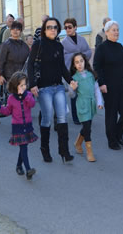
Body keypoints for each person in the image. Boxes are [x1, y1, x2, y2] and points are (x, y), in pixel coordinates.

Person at [27, 17, 77, 163]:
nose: (52, 30)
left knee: (62, 118)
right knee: (47, 119)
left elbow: (62, 67)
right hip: (43, 88)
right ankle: (45, 149)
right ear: (44, 29)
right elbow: (31, 65)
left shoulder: (59, 46)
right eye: (49, 27)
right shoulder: (38, 44)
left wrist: (71, 81)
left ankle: (64, 151)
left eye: (55, 27)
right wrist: (33, 84)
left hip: (58, 87)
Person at [93, 20, 123, 150]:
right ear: (106, 32)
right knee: (111, 114)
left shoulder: (120, 47)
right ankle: (112, 141)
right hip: (109, 87)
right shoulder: (101, 48)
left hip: (122, 85)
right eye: (113, 30)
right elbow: (97, 67)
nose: (116, 32)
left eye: (117, 30)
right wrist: (101, 83)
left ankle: (118, 134)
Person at [0, 72, 38, 180]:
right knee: (23, 147)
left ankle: (19, 165)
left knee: (23, 147)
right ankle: (28, 169)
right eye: (21, 85)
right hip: (18, 127)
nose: (23, 87)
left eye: (25, 85)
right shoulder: (11, 98)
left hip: (27, 125)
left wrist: (25, 95)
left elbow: (32, 104)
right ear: (15, 86)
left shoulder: (28, 95)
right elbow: (7, 111)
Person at [70, 53, 104, 162]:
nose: (79, 64)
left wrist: (99, 102)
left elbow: (96, 90)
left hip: (91, 104)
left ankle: (78, 143)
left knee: (86, 126)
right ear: (74, 65)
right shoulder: (74, 78)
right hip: (82, 105)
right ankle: (90, 152)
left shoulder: (91, 75)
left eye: (81, 61)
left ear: (85, 62)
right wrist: (72, 88)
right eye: (76, 62)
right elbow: (71, 95)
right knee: (87, 128)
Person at [62, 18, 92, 125]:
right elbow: (64, 57)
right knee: (74, 94)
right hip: (72, 72)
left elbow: (88, 52)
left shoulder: (82, 39)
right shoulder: (64, 42)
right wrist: (76, 56)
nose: (67, 29)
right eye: (65, 27)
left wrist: (81, 56)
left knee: (83, 93)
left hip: (83, 71)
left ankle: (85, 114)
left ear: (75, 27)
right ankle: (76, 117)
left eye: (69, 27)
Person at [0, 21, 30, 88]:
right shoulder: (5, 45)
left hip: (23, 78)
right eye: (13, 28)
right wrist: (0, 75)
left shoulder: (25, 46)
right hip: (9, 77)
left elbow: (28, 62)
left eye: (17, 29)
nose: (15, 30)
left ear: (21, 31)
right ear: (10, 30)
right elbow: (0, 61)